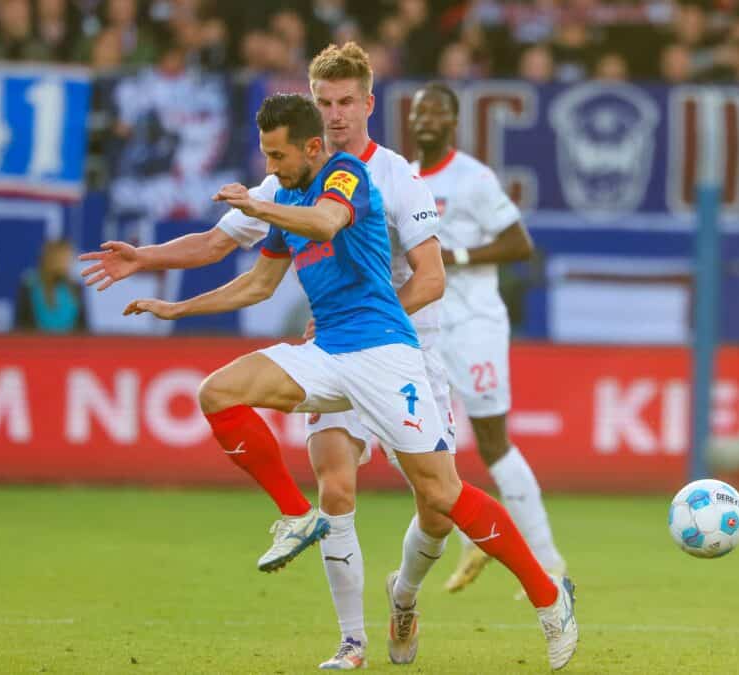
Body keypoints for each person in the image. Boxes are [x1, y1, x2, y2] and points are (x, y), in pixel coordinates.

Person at [102, 92, 578, 671]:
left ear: (310, 147)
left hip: (385, 354)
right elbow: (256, 285)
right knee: (218, 393)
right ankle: (315, 558)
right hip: (326, 350)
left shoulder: (345, 174)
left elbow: (326, 221)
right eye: (264, 159)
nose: (270, 170)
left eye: (278, 158)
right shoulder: (283, 193)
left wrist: (258, 206)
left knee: (443, 495)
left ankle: (550, 600)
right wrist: (178, 309)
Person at [408, 82, 567, 594]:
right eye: (419, 111)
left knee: (494, 442)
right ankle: (474, 537)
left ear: (453, 123)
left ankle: (548, 562)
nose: (426, 118)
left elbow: (520, 244)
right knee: (430, 446)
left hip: (474, 324)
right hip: (422, 329)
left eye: (437, 111)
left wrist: (457, 258)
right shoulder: (403, 179)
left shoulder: (472, 178)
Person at [15, 239, 87, 333]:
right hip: (36, 345)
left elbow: (83, 329)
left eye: (68, 258)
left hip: (70, 346)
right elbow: (21, 325)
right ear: (49, 259)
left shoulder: (76, 288)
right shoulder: (29, 286)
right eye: (61, 258)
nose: (66, 262)